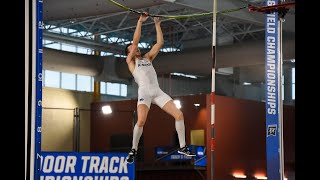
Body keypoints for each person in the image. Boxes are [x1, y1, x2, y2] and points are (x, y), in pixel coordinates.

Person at [124, 12, 195, 164]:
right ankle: (133, 149)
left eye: (135, 48)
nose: (136, 49)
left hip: (157, 92)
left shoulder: (147, 58)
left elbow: (160, 43)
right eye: (132, 48)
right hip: (144, 93)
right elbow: (135, 42)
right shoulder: (131, 62)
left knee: (179, 115)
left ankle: (183, 146)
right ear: (129, 53)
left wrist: (157, 24)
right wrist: (140, 22)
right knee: (141, 121)